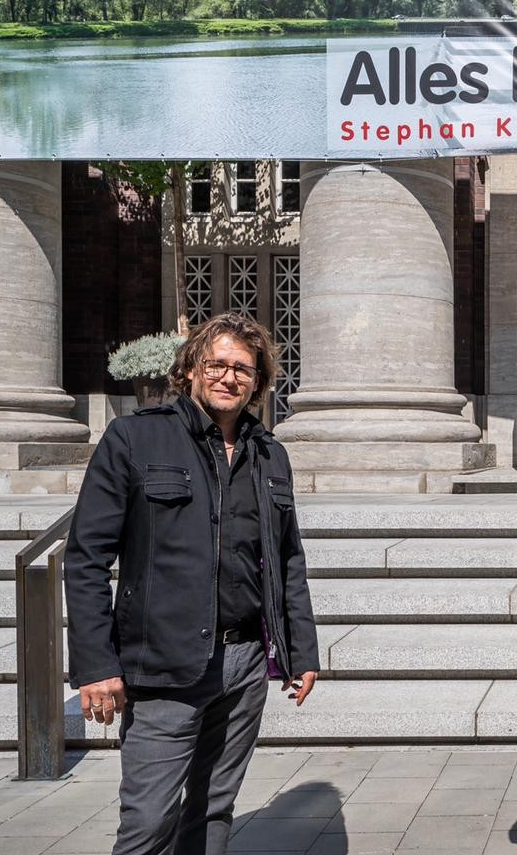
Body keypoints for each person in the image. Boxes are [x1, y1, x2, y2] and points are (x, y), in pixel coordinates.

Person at [65, 312, 319, 855]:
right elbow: (86, 557)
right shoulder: (136, 437)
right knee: (149, 821)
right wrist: (97, 665)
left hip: (245, 662)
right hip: (164, 664)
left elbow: (286, 558)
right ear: (190, 369)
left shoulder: (270, 454)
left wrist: (300, 650)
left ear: (258, 381)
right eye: (217, 364)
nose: (229, 377)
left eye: (243, 369)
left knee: (213, 810)